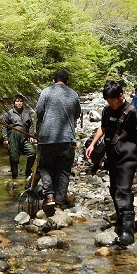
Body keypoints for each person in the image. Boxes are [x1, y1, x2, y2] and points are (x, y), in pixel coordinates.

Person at [85, 80, 137, 247]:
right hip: (112, 156)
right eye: (108, 101)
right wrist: (93, 144)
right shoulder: (107, 110)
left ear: (121, 96)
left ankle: (128, 231)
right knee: (114, 189)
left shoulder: (132, 113)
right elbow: (103, 127)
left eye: (113, 100)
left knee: (123, 190)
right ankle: (120, 220)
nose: (110, 104)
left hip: (128, 157)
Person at [35, 68, 82, 214]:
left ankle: (49, 196)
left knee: (45, 167)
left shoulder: (46, 92)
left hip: (47, 138)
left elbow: (39, 111)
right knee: (63, 170)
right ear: (67, 81)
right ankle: (59, 203)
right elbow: (77, 114)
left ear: (53, 80)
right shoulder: (73, 94)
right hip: (67, 138)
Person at [1, 94, 37, 180]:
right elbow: (4, 126)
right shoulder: (9, 114)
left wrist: (31, 136)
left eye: (21, 101)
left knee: (32, 153)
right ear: (14, 103)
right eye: (17, 101)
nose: (19, 103)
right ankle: (14, 177)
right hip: (13, 140)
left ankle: (28, 171)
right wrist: (5, 139)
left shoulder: (27, 113)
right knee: (14, 158)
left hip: (24, 138)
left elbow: (31, 125)